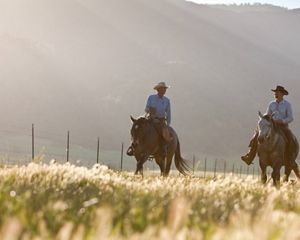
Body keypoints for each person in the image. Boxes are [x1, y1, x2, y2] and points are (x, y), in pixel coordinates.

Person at [241, 85, 294, 165]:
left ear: (282, 94)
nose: (276, 94)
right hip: (271, 125)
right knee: (257, 135)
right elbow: (268, 114)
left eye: (278, 92)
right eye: (275, 92)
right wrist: (264, 117)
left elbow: (290, 118)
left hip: (282, 126)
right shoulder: (271, 104)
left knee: (290, 139)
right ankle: (250, 156)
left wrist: (282, 121)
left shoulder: (287, 105)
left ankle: (291, 160)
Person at [127, 82, 171, 156]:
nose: (164, 90)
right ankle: (133, 146)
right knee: (138, 128)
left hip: (161, 120)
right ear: (158, 90)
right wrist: (150, 110)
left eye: (165, 89)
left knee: (164, 133)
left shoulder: (167, 100)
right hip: (150, 118)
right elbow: (146, 109)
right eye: (163, 89)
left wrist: (168, 124)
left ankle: (163, 148)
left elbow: (168, 113)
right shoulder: (151, 97)